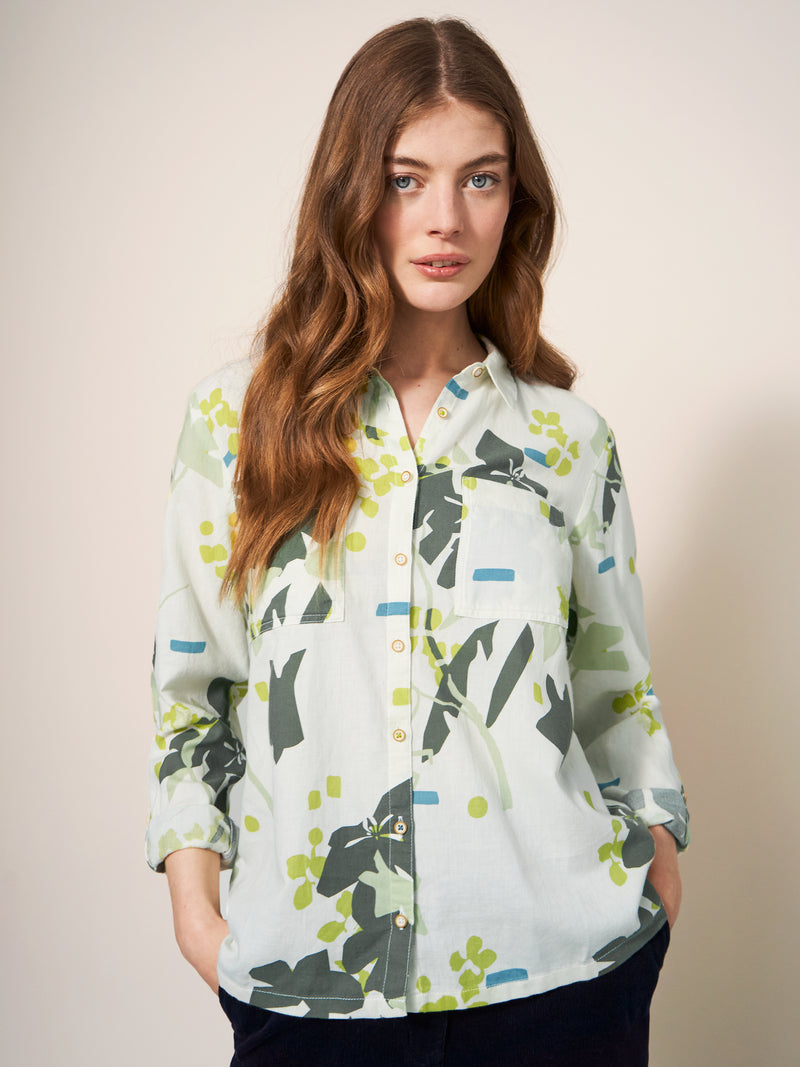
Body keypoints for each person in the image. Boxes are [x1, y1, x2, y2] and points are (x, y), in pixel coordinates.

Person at [146, 17, 689, 1066]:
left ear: (515, 198)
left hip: (564, 986)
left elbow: (617, 697)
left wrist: (656, 876)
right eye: (406, 179)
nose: (447, 218)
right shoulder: (236, 424)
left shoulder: (567, 441)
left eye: (481, 179)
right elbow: (191, 695)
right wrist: (198, 919)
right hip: (310, 990)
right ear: (351, 189)